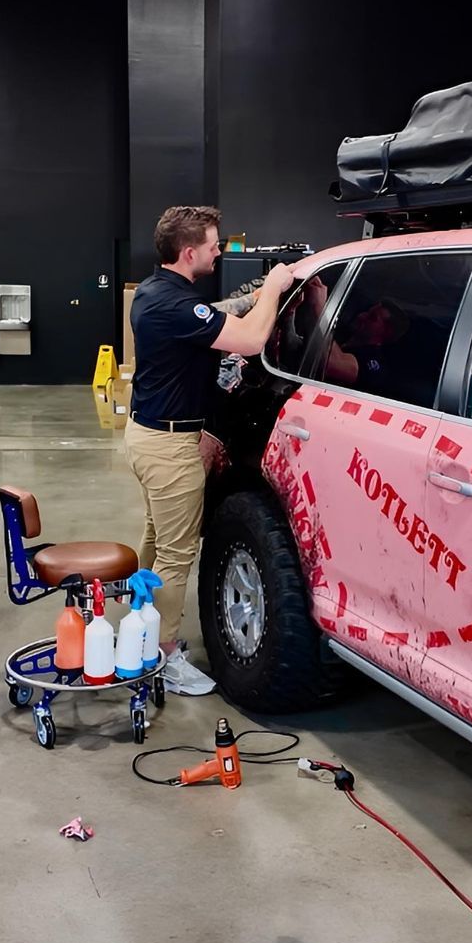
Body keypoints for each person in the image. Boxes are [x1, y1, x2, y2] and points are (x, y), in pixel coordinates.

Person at [126, 205, 294, 644]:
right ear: (187, 253)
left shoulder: (153, 291)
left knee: (157, 535)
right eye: (213, 246)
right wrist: (275, 286)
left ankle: (135, 621)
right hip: (169, 447)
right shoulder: (175, 305)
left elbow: (214, 313)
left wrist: (253, 298)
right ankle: (159, 655)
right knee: (177, 556)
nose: (218, 252)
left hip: (147, 437)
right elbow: (253, 339)